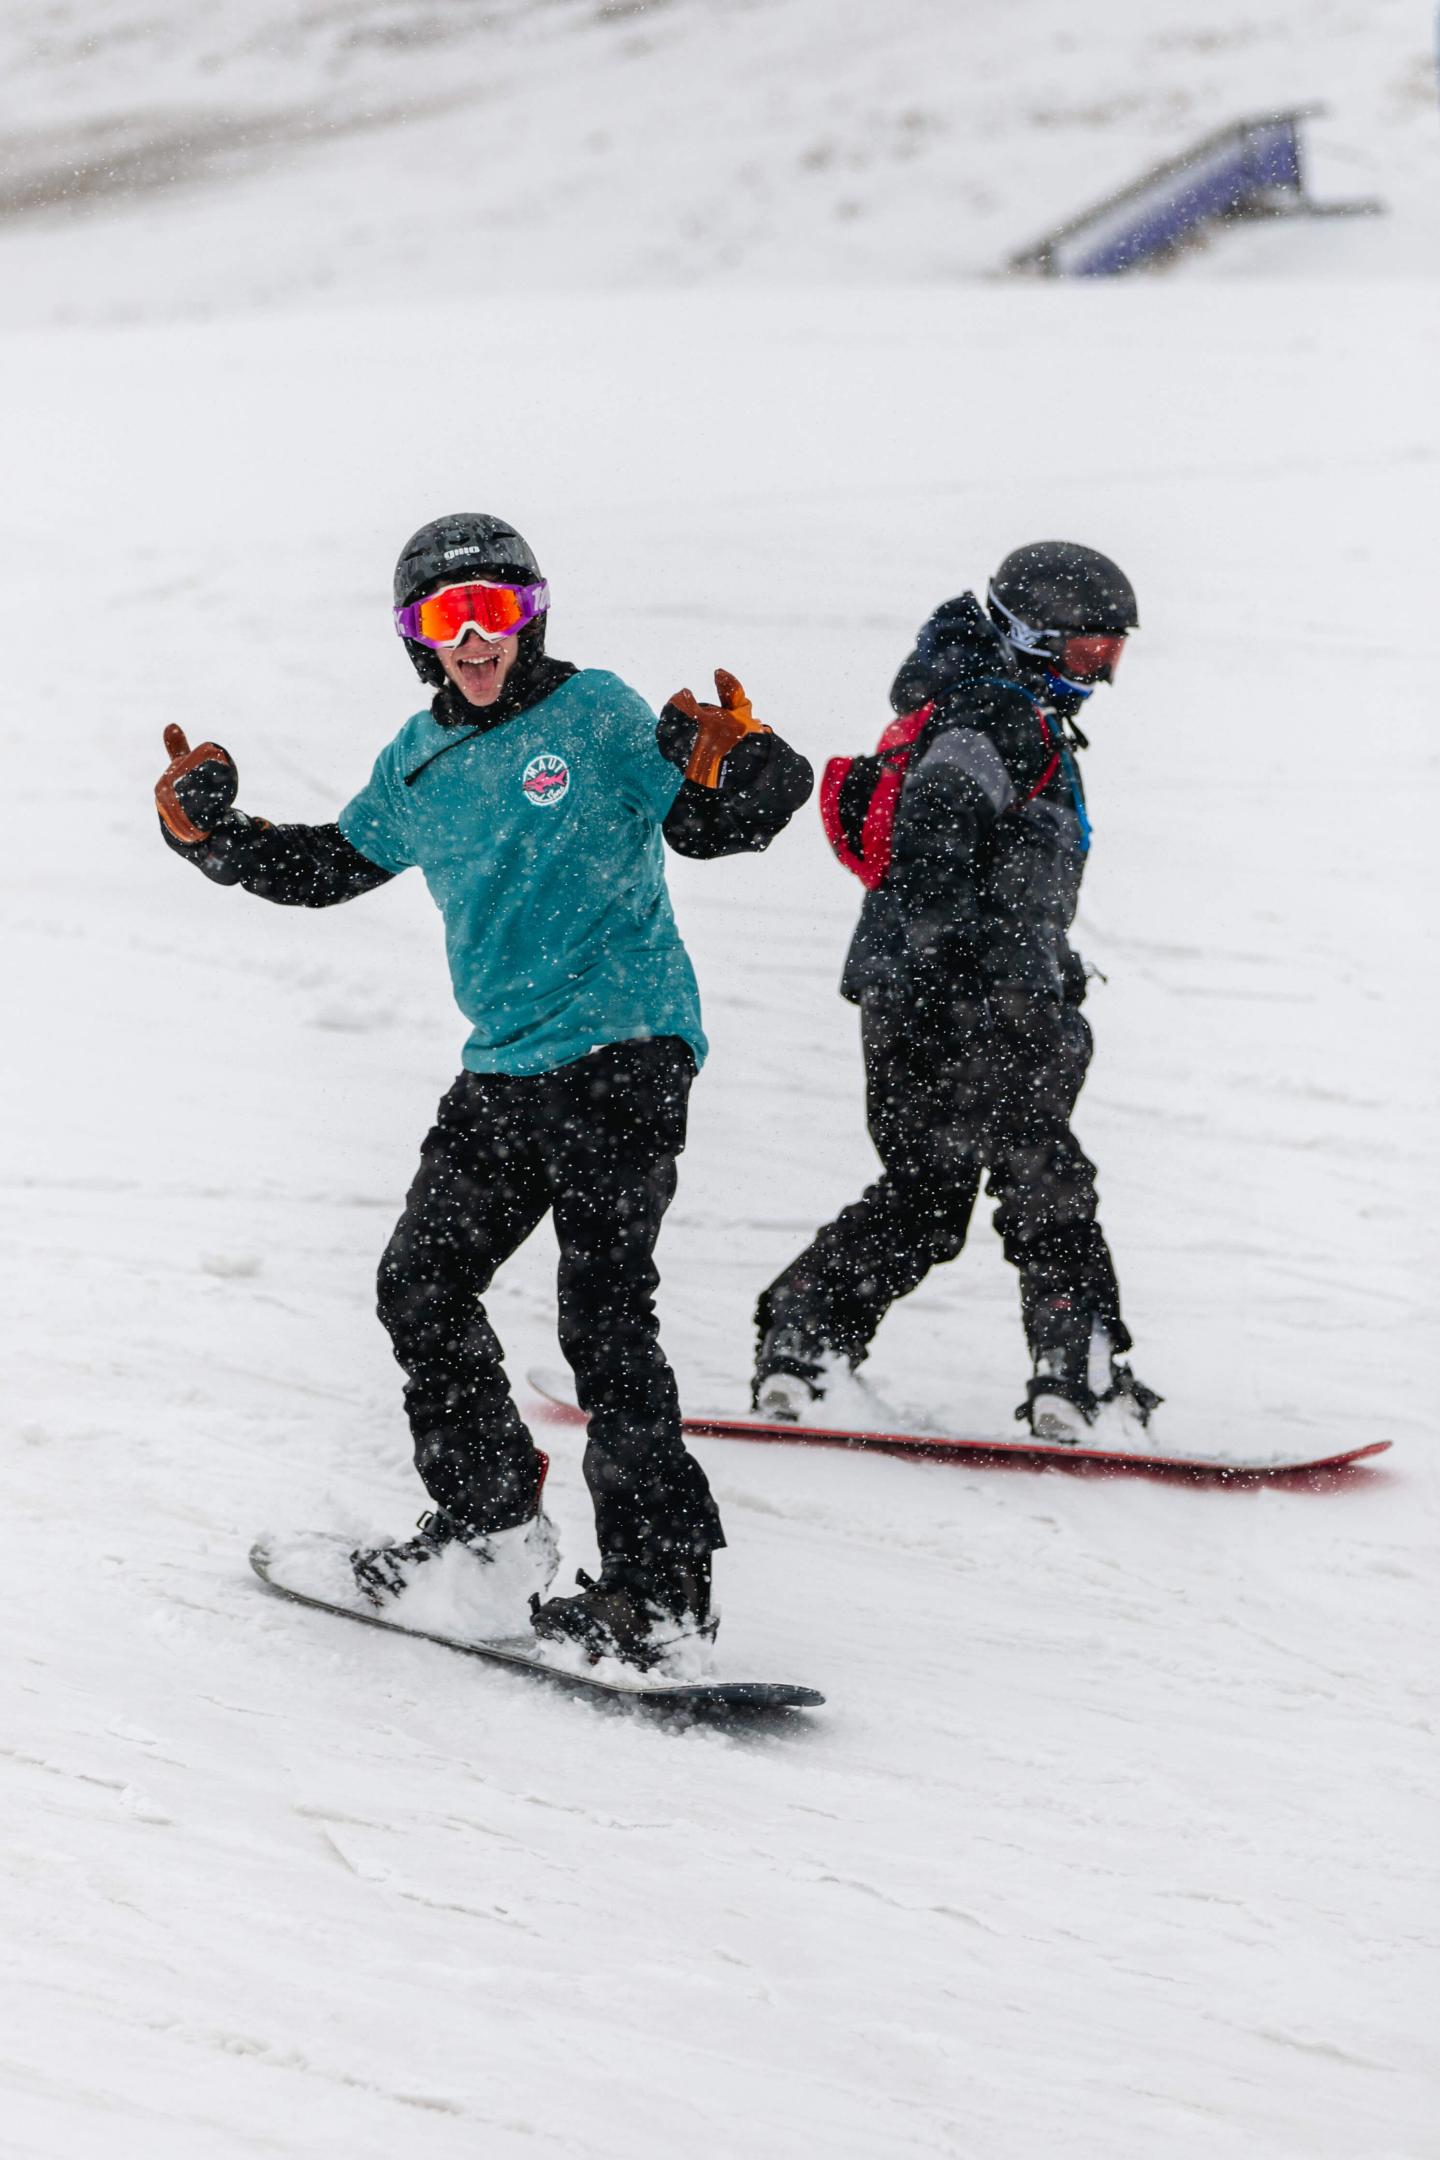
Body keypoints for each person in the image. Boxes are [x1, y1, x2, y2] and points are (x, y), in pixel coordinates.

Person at [156, 512, 812, 1666]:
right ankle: (490, 1534)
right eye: (446, 618)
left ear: (532, 616)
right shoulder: (416, 763)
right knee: (420, 1282)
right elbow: (324, 868)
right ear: (415, 637)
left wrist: (756, 770)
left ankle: (660, 1602)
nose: (475, 637)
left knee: (605, 1319)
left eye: (496, 611)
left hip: (626, 1048)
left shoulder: (600, 713)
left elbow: (717, 824)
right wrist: (215, 842)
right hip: (506, 1068)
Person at [752, 540, 1159, 1442]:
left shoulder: (971, 707)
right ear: (1029, 636)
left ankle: (802, 1344)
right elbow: (937, 822)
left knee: (927, 1194)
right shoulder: (998, 717)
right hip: (980, 1004)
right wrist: (991, 966)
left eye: (1114, 651)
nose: (1103, 671)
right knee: (1045, 1185)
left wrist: (971, 957)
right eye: (1089, 649)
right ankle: (1078, 1382)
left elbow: (949, 859)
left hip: (909, 993)